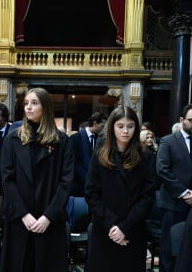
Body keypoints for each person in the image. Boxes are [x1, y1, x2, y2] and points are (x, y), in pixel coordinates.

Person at [0, 87, 74, 272]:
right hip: (20, 218)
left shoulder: (62, 141)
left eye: (34, 103)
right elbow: (6, 179)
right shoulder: (13, 138)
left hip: (49, 218)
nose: (28, 108)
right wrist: (23, 214)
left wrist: (48, 216)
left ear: (46, 107)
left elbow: (66, 182)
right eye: (26, 103)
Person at [84, 106, 156, 272]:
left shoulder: (146, 155)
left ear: (136, 128)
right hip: (104, 229)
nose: (125, 131)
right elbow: (91, 192)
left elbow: (147, 197)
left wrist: (124, 228)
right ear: (112, 127)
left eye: (130, 126)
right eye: (120, 126)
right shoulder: (101, 151)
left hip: (133, 229)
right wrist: (113, 225)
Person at [156, 104, 192, 272]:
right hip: (173, 204)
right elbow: (162, 170)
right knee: (169, 249)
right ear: (181, 120)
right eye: (191, 121)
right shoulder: (168, 141)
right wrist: (184, 193)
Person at [70, 112, 107, 196]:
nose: (103, 128)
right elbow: (74, 163)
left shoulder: (99, 139)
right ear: (95, 123)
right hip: (78, 186)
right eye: (102, 125)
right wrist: (87, 178)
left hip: (94, 187)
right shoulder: (75, 138)